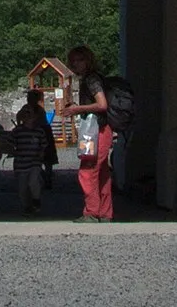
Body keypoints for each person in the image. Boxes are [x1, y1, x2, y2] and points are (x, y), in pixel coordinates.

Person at [59, 45, 115, 222]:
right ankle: (105, 212)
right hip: (101, 130)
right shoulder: (94, 78)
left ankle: (92, 212)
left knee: (87, 170)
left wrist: (77, 109)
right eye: (73, 61)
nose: (76, 64)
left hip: (95, 131)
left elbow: (102, 104)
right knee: (102, 173)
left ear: (88, 60)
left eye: (80, 60)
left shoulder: (91, 80)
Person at [11, 90, 57, 215]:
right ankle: (27, 205)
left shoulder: (39, 111)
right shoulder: (19, 128)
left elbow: (43, 142)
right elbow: (11, 142)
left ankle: (45, 180)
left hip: (35, 154)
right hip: (22, 160)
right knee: (22, 186)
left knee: (34, 180)